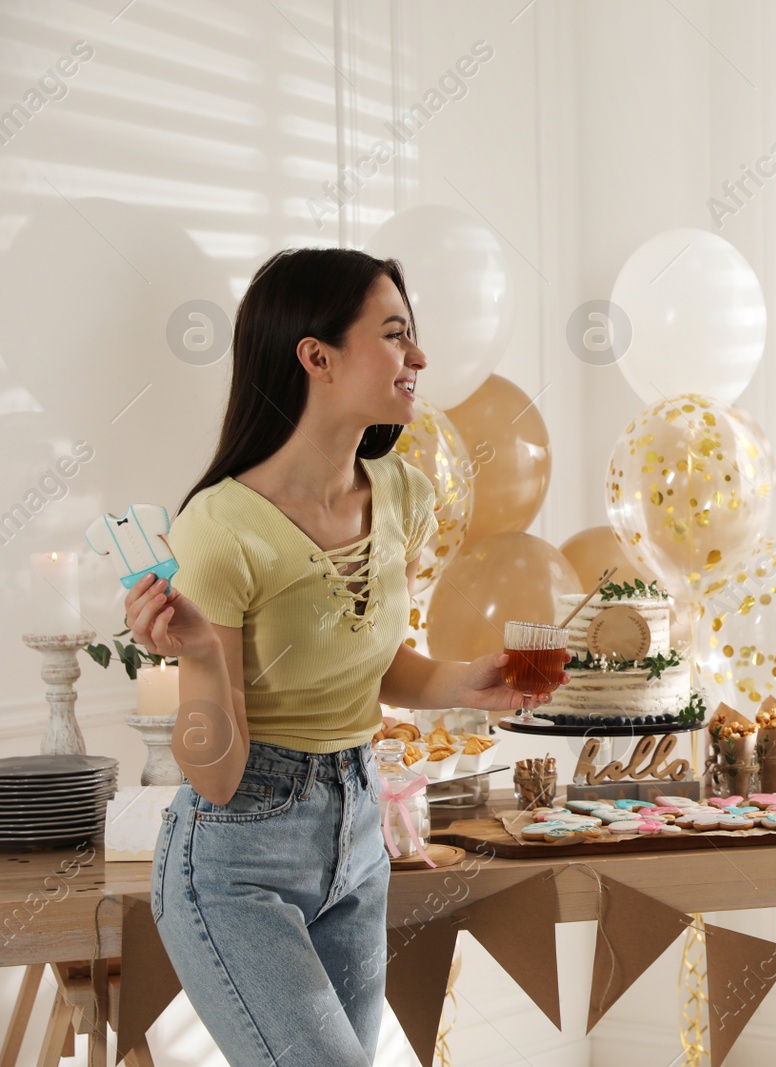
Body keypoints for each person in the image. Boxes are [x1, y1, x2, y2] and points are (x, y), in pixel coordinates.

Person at [126, 247, 564, 1066]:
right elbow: (215, 779)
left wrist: (460, 682)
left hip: (358, 836)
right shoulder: (220, 530)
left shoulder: (400, 494)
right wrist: (201, 658)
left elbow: (372, 660)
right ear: (316, 357)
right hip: (237, 857)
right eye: (395, 335)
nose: (420, 357)